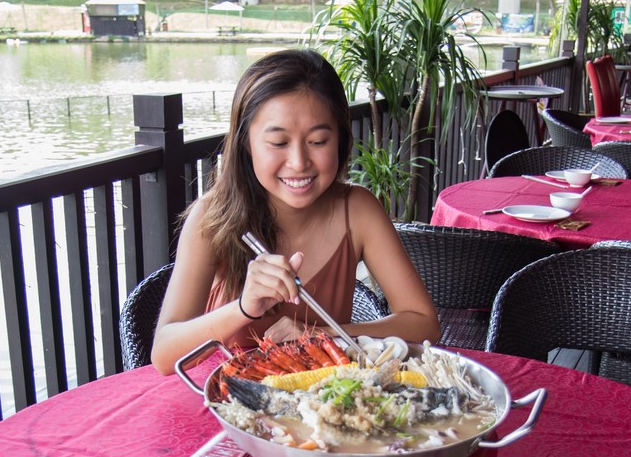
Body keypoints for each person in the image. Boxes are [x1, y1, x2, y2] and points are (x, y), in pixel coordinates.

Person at [151, 48, 440, 376]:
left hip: (324, 409)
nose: (299, 162)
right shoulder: (210, 216)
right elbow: (164, 354)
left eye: (317, 141)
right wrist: (244, 307)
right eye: (277, 143)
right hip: (224, 404)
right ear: (246, 142)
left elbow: (424, 322)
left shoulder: (357, 210)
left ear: (341, 141)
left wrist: (320, 337)